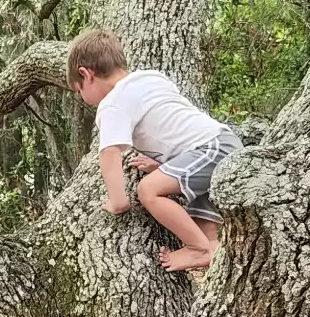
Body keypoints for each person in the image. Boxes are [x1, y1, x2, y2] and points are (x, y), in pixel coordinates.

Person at [67, 28, 242, 272]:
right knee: (197, 203)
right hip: (220, 144)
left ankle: (197, 248)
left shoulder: (112, 103)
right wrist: (163, 166)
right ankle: (209, 247)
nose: (83, 99)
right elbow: (170, 125)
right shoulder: (150, 78)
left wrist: (118, 202)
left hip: (211, 149)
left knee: (148, 190)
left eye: (79, 91)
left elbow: (109, 153)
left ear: (85, 74)